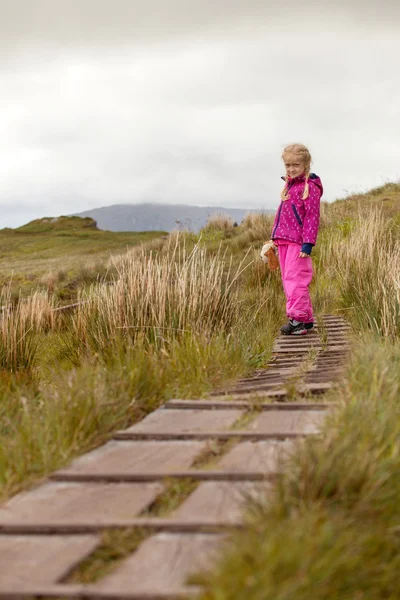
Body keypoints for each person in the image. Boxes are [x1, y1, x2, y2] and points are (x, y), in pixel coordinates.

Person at [270, 143, 323, 335]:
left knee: (295, 279)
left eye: (296, 165)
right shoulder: (289, 186)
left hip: (298, 243)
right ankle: (305, 319)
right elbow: (282, 215)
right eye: (288, 166)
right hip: (284, 240)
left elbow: (312, 217)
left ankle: (298, 320)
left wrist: (308, 243)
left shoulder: (309, 188)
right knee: (288, 279)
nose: (291, 169)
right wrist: (274, 239)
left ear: (305, 166)